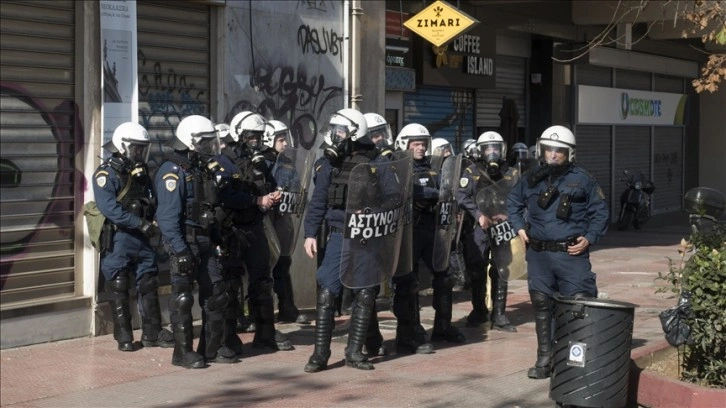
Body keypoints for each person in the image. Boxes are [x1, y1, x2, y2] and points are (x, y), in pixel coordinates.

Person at [506, 125, 609, 379]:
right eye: (548, 149)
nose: (552, 155)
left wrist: (589, 238)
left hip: (570, 255)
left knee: (577, 305)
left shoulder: (584, 179)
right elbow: (513, 202)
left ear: (569, 153)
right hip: (539, 256)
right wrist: (519, 228)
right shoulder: (531, 178)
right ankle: (544, 359)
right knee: (542, 305)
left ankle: (574, 362)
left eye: (559, 151)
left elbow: (600, 212)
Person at [302, 108, 395, 372]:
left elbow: (393, 198)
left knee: (365, 293)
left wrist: (371, 213)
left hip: (366, 236)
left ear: (355, 133)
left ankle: (354, 352)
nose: (335, 136)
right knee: (328, 290)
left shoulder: (377, 162)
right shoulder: (331, 162)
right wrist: (310, 233)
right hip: (338, 236)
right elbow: (318, 200)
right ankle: (320, 354)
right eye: (334, 130)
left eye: (340, 131)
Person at [155, 115, 237, 368]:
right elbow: (167, 217)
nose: (209, 148)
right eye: (204, 143)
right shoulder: (172, 172)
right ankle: (182, 353)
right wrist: (180, 250)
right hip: (185, 242)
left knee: (216, 293)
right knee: (183, 297)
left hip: (206, 239)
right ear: (190, 142)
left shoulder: (201, 170)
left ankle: (210, 348)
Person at [93, 122, 173, 352]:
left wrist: (153, 218)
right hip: (120, 238)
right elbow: (110, 208)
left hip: (143, 237)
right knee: (118, 285)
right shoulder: (105, 173)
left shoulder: (141, 175)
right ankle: (124, 337)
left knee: (149, 282)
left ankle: (152, 333)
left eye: (141, 149)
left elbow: (152, 199)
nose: (139, 153)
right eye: (135, 148)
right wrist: (139, 223)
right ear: (121, 146)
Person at [221, 111, 293, 351]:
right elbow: (225, 194)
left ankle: (265, 334)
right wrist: (255, 201)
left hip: (255, 226)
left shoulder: (259, 160)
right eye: (251, 136)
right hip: (232, 228)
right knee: (231, 284)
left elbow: (270, 184)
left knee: (262, 281)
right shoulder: (225, 159)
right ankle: (229, 338)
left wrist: (274, 194)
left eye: (259, 136)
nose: (256, 141)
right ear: (239, 134)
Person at [394, 123, 465, 350]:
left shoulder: (434, 167)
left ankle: (442, 326)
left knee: (445, 278)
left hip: (432, 229)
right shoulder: (398, 168)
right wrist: (426, 194)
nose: (421, 148)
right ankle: (411, 330)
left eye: (423, 144)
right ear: (403, 144)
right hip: (408, 232)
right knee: (409, 283)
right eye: (415, 144)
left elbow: (448, 190)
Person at [457, 131, 518, 332]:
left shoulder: (512, 173)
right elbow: (462, 195)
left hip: (503, 226)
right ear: (481, 150)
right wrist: (478, 215)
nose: (492, 152)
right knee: (476, 268)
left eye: (495, 148)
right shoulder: (472, 171)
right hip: (479, 227)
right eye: (487, 148)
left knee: (502, 269)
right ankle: (479, 310)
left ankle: (499, 314)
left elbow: (520, 199)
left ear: (502, 150)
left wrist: (509, 216)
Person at [262, 119, 310, 324]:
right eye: (280, 140)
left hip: (283, 220)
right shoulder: (260, 162)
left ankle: (287, 307)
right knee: (263, 267)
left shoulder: (287, 164)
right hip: (265, 221)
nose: (285, 144)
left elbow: (297, 187)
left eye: (285, 139)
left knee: (283, 262)